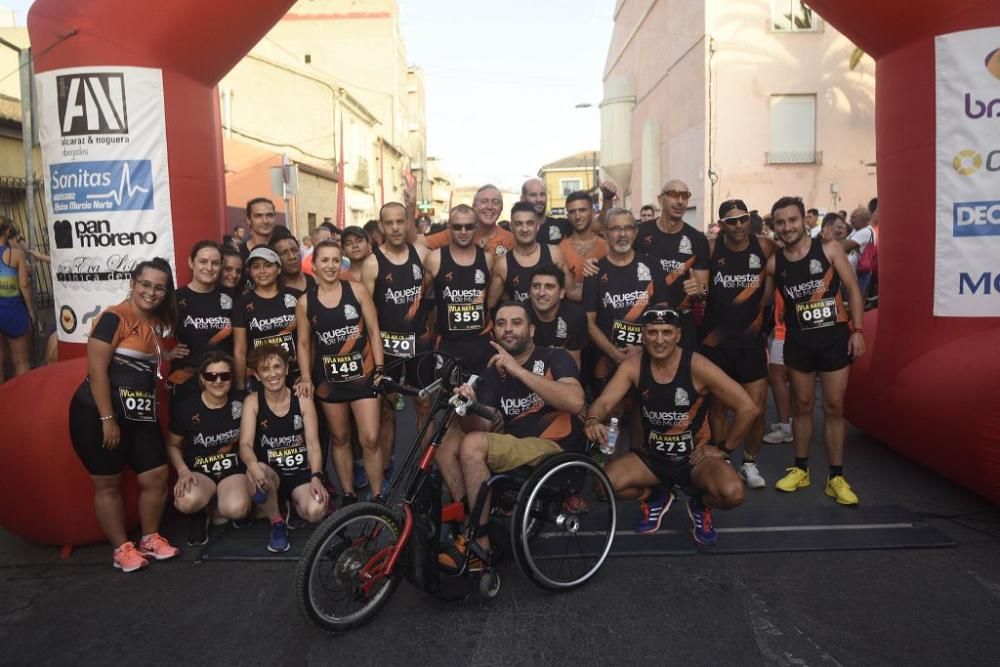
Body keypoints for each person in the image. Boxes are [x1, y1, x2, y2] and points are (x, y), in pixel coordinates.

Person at [584, 305, 757, 543]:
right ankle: (655, 496)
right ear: (643, 334)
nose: (659, 340)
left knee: (733, 493)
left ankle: (700, 505)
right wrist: (593, 419)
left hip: (694, 458)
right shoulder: (634, 365)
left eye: (666, 332)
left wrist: (724, 449)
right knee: (602, 485)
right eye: (652, 332)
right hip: (653, 458)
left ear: (678, 335)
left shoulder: (697, 365)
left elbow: (748, 407)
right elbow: (604, 402)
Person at [437, 301, 586, 569]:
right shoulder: (492, 372)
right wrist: (469, 407)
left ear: (531, 329)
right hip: (514, 446)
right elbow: (482, 428)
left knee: (471, 445)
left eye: (516, 323)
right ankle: (468, 525)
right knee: (446, 440)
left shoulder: (554, 357)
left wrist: (519, 370)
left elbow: (575, 402)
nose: (508, 329)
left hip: (553, 448)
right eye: (502, 324)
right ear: (494, 333)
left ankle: (479, 546)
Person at [68, 258, 181, 572]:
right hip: (97, 412)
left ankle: (149, 538)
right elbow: (97, 371)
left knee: (156, 476)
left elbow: (143, 356)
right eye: (145, 284)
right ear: (133, 283)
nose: (151, 291)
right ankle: (121, 549)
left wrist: (170, 355)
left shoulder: (155, 321)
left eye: (159, 287)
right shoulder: (113, 318)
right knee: (108, 484)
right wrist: (107, 419)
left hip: (141, 412)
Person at [766, 196, 866, 505]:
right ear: (775, 227)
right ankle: (801, 469)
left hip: (834, 339)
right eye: (781, 222)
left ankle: (835, 477)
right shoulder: (774, 263)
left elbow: (852, 289)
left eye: (792, 220)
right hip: (799, 342)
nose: (787, 227)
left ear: (804, 221)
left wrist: (858, 331)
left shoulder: (828, 249)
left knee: (834, 407)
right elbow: (762, 304)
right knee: (803, 407)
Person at [297, 241, 386, 505]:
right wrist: (305, 377)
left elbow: (373, 331)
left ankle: (378, 493)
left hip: (364, 376)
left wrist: (380, 368)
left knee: (370, 437)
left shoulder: (356, 291)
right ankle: (347, 492)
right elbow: (303, 343)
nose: (330, 266)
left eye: (336, 260)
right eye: (325, 260)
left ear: (341, 263)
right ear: (313, 266)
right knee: (340, 436)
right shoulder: (305, 302)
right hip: (329, 382)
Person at [699, 200, 776, 489]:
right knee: (718, 406)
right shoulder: (709, 247)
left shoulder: (766, 246)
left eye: (743, 219)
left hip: (751, 342)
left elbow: (792, 263)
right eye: (731, 221)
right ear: (722, 224)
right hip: (715, 341)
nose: (739, 225)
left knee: (755, 408)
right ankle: (723, 458)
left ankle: (750, 462)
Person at [362, 201, 433, 489]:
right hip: (388, 348)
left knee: (424, 404)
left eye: (399, 221)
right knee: (387, 410)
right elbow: (367, 313)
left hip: (419, 344)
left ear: (408, 223)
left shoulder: (422, 253)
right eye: (388, 222)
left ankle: (422, 466)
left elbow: (431, 287)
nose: (394, 227)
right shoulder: (372, 262)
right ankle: (389, 466)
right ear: (381, 226)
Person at [239, 344, 328, 552]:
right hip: (270, 475)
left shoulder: (302, 399)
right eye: (265, 369)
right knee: (253, 472)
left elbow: (314, 444)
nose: (272, 374)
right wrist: (253, 466)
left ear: (286, 369)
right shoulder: (252, 401)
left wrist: (317, 476)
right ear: (258, 376)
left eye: (277, 367)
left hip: (300, 474)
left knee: (316, 511)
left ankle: (294, 505)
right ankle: (277, 521)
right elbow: (244, 444)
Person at [167, 352, 251, 546]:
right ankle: (201, 512)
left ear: (232, 378)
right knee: (186, 502)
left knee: (236, 509)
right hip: (200, 472)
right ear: (202, 379)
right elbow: (172, 444)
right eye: (211, 376)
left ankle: (217, 507)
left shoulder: (243, 401)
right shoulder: (186, 407)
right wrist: (182, 471)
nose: (218, 381)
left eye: (225, 376)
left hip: (232, 471)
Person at [583, 208, 666, 397]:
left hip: (647, 354)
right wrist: (616, 355)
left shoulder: (652, 265)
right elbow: (588, 323)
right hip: (606, 359)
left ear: (635, 232)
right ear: (604, 233)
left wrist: (644, 348)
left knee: (642, 411)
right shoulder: (594, 270)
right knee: (611, 416)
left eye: (628, 228)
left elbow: (662, 313)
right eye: (615, 229)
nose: (622, 234)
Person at [423, 204, 503, 376]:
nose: (463, 231)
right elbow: (424, 300)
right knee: (449, 398)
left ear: (476, 228)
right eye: (458, 227)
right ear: (449, 228)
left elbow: (492, 299)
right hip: (448, 344)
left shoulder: (488, 259)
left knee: (485, 396)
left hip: (481, 341)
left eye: (469, 226)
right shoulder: (434, 259)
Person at [635, 178, 710, 348]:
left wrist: (700, 289)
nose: (680, 201)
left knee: (684, 373)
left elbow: (705, 293)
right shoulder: (640, 233)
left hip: (680, 320)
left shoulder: (697, 239)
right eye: (674, 195)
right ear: (660, 199)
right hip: (644, 317)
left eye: (685, 195)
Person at [167, 241, 233, 405]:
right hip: (187, 382)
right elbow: (150, 330)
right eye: (203, 261)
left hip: (221, 382)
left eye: (215, 263)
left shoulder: (229, 300)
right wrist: (166, 353)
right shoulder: (175, 299)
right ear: (191, 262)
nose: (209, 268)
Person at [231, 247, 301, 392]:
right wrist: (240, 386)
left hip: (295, 375)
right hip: (260, 378)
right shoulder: (242, 303)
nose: (262, 271)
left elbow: (308, 340)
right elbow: (240, 350)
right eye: (256, 266)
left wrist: (306, 375)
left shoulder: (297, 297)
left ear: (279, 269)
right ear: (250, 271)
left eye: (268, 265)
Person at [492, 202, 576, 303]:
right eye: (519, 224)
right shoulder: (503, 264)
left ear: (538, 226)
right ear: (511, 227)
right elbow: (491, 304)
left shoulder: (554, 253)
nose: (524, 229)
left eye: (530, 223)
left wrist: (595, 285)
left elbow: (571, 292)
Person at [422, 184, 515, 257]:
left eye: (495, 202)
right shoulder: (456, 232)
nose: (490, 207)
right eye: (484, 201)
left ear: (501, 208)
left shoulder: (510, 240)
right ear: (474, 206)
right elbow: (416, 243)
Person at [527, 264, 586, 368]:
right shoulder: (519, 314)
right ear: (530, 292)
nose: (541, 293)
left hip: (559, 374)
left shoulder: (575, 316)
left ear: (562, 293)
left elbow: (573, 365)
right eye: (536, 286)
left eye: (549, 286)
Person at [0, 218, 35, 381]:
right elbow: (24, 284)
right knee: (21, 361)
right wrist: (30, 312)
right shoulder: (16, 254)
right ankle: (25, 400)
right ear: (7, 231)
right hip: (13, 311)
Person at [559, 191, 608, 302]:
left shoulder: (607, 247)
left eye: (582, 210)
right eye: (572, 212)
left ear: (592, 212)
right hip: (573, 315)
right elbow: (568, 292)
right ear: (567, 216)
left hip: (605, 315)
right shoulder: (560, 250)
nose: (577, 216)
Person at [521, 177, 570, 244]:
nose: (539, 199)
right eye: (533, 195)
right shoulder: (515, 230)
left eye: (542, 194)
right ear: (523, 199)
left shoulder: (563, 225)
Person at [843, 207, 877, 297]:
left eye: (853, 217)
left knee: (856, 298)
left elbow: (844, 247)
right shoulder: (856, 230)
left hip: (860, 273)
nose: (850, 220)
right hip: (854, 272)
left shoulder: (866, 231)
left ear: (864, 219)